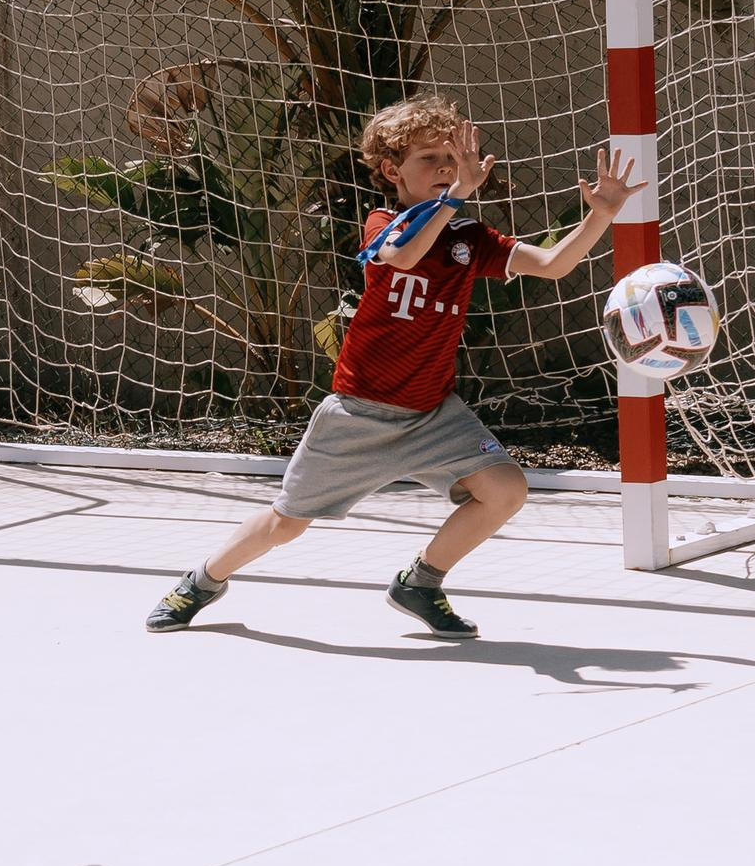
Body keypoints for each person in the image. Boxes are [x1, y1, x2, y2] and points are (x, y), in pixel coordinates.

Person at [145, 94, 643, 640]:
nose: (446, 170)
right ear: (391, 169)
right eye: (430, 159)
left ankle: (420, 581)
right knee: (286, 523)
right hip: (359, 413)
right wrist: (454, 200)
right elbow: (403, 256)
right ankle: (202, 580)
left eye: (453, 160)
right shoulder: (384, 221)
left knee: (506, 490)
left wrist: (602, 213)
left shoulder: (467, 239)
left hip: (433, 412)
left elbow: (554, 264)